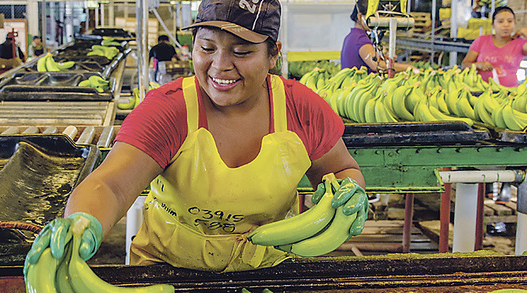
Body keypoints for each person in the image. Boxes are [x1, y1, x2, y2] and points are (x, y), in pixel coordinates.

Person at [24, 0, 368, 275]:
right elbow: (112, 185)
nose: (219, 66)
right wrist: (83, 221)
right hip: (165, 275)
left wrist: (351, 190)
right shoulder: (168, 110)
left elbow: (339, 169)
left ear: (273, 54)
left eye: (241, 52)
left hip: (270, 273)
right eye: (207, 48)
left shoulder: (302, 108)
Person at [341, 0, 419, 74]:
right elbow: (376, 65)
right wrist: (408, 67)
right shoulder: (361, 40)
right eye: (372, 17)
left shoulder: (352, 36)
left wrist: (382, 58)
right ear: (359, 16)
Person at [461, 6, 527, 87]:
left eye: (510, 21)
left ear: (515, 24)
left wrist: (525, 32)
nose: (506, 25)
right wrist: (478, 65)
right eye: (500, 21)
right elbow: (464, 65)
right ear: (492, 25)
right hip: (480, 93)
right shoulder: (481, 40)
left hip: (510, 94)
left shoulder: (520, 44)